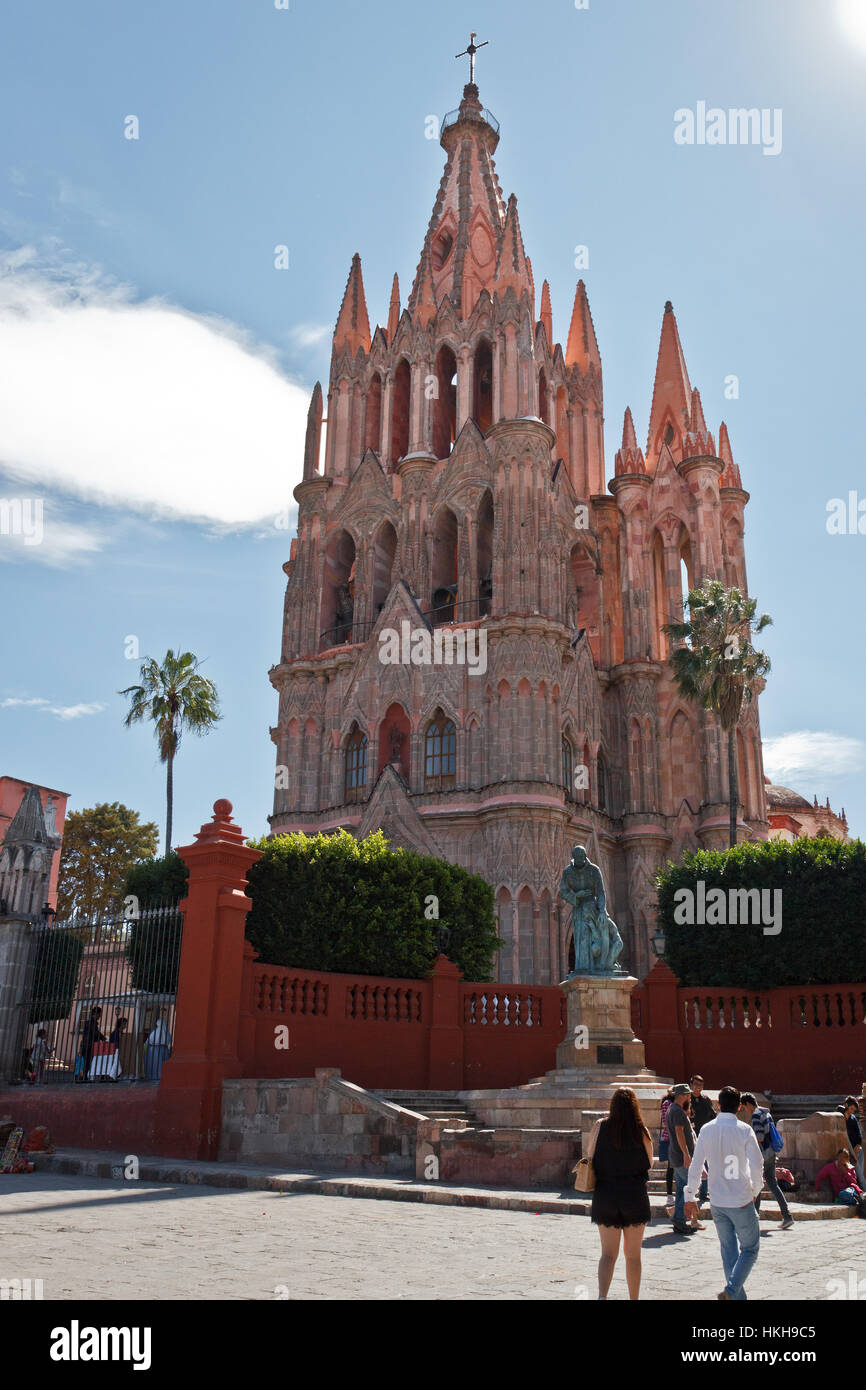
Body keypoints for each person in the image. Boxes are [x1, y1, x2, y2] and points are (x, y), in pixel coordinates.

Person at [684, 1084, 764, 1301]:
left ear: (718, 1105)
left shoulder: (706, 1130)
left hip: (717, 1200)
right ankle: (731, 1292)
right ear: (739, 1106)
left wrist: (690, 1196)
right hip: (741, 1198)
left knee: (728, 1251)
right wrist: (755, 1190)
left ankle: (736, 1296)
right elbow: (757, 1165)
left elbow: (696, 1165)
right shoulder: (745, 1130)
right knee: (750, 1249)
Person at [588, 1087, 653, 1300]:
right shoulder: (641, 1131)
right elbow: (650, 1163)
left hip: (606, 1195)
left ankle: (602, 1297)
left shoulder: (599, 1127)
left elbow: (589, 1157)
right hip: (634, 1195)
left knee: (607, 1254)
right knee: (633, 1256)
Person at [740, 1093, 794, 1230]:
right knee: (773, 1185)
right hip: (771, 1153)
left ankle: (754, 1217)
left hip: (762, 1154)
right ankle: (787, 1216)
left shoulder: (756, 1115)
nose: (745, 1111)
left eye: (744, 1108)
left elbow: (759, 1137)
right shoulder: (766, 1113)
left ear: (748, 1104)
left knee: (756, 1183)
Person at [667, 1083, 697, 1235]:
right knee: (687, 1189)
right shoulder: (678, 1111)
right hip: (680, 1156)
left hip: (675, 1155)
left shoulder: (672, 1109)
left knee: (680, 1189)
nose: (689, 1096)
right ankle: (679, 1220)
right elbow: (679, 1132)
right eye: (688, 1094)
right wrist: (686, 1154)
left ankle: (678, 1218)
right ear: (682, 1095)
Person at [814, 1149, 866, 1216]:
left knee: (854, 1194)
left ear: (848, 1159)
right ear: (837, 1157)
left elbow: (854, 1182)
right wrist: (817, 1189)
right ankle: (859, 1200)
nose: (842, 1159)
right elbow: (819, 1177)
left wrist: (846, 1173)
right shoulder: (830, 1167)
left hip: (853, 1191)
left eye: (845, 1157)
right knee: (843, 1194)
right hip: (840, 1194)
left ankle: (860, 1199)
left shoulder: (850, 1168)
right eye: (841, 1156)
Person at [689, 1076, 714, 1207]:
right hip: (691, 1137)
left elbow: (712, 1116)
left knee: (706, 1165)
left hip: (705, 1137)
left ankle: (704, 1192)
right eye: (695, 1084)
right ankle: (692, 1190)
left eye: (700, 1085)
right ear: (691, 1084)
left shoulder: (706, 1100)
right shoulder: (687, 1100)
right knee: (694, 1166)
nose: (698, 1087)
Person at [838, 1098, 864, 1190]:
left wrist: (858, 1145)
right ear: (846, 1105)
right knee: (858, 1177)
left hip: (858, 1151)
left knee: (859, 1175)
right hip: (850, 1154)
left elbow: (859, 1134)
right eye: (851, 1109)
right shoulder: (840, 1118)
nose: (852, 1112)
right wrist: (853, 1154)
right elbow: (846, 1138)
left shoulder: (853, 1118)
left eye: (854, 1110)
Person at [144, 1008, 172, 1080]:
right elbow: (169, 1040)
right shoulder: (167, 1032)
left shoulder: (155, 1032)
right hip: (164, 1050)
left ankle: (153, 1076)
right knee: (162, 1064)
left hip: (154, 1050)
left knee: (155, 1064)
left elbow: (150, 1040)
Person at [77, 1007, 104, 1083]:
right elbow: (95, 1033)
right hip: (88, 1045)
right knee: (87, 1062)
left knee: (87, 1062)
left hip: (87, 1045)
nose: (100, 1016)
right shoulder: (91, 1022)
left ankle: (85, 1077)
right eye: (99, 1014)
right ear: (95, 1013)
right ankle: (84, 1078)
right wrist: (103, 1038)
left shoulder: (91, 1022)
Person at [659, 1088, 675, 1217]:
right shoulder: (667, 1104)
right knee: (671, 1168)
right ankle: (669, 1195)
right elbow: (665, 1122)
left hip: (677, 1137)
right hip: (670, 1138)